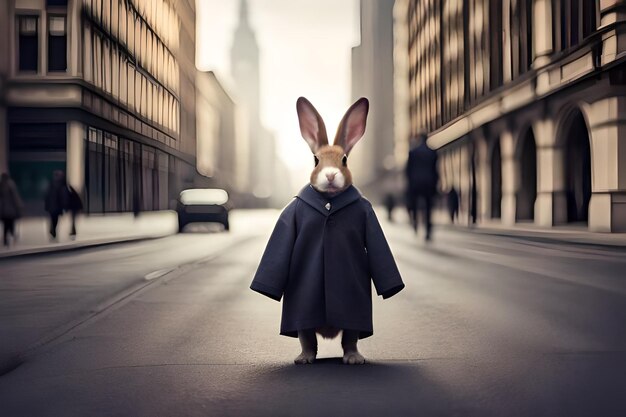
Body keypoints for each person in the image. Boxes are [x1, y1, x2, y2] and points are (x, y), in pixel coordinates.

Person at [405, 132, 439, 240]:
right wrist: (435, 183)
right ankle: (428, 230)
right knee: (429, 207)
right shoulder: (432, 152)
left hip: (415, 183)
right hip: (429, 183)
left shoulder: (413, 152)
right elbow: (435, 170)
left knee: (414, 205)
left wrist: (409, 183)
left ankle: (415, 223)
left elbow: (408, 171)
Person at [0, 173, 23, 247]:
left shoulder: (5, 185)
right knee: (10, 224)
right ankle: (11, 237)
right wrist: (19, 206)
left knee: (6, 225)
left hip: (4, 210)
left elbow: (15, 197)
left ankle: (7, 239)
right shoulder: (10, 185)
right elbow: (15, 197)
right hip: (9, 209)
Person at [45, 170, 69, 240]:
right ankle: (53, 230)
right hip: (55, 205)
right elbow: (48, 196)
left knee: (54, 219)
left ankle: (53, 229)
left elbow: (64, 196)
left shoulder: (57, 184)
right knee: (54, 219)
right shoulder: (56, 184)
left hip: (56, 206)